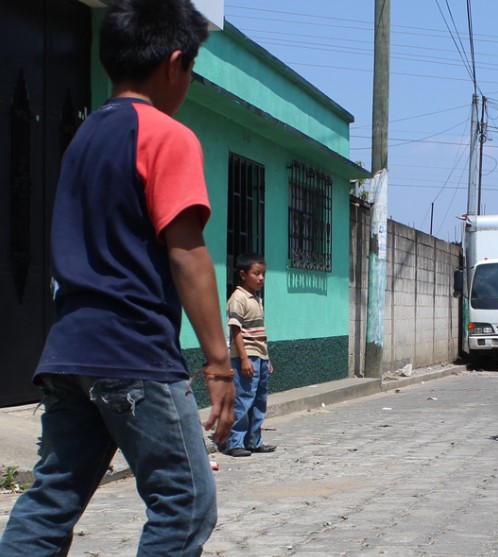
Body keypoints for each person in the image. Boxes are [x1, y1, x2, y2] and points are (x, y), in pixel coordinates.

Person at [0, 1, 235, 555]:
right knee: (186, 504)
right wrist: (219, 366)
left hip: (69, 354)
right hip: (133, 354)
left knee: (51, 501)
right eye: (193, 70)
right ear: (175, 63)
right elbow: (186, 255)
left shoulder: (84, 137)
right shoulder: (167, 134)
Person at [224, 253, 277, 457]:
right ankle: (234, 442)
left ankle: (254, 440)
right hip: (246, 357)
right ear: (243, 274)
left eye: (263, 274)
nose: (261, 278)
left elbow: (259, 334)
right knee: (243, 400)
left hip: (260, 356)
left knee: (259, 401)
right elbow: (236, 330)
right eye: (257, 273)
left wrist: (267, 358)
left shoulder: (256, 299)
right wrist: (244, 359)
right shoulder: (238, 298)